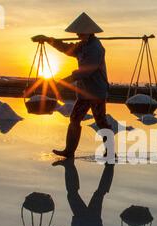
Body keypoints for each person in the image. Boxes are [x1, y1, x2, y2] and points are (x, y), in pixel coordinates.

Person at [32, 12, 111, 158]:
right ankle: (69, 151)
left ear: (87, 31)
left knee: (101, 121)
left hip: (96, 92)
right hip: (84, 92)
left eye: (79, 32)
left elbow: (85, 71)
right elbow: (67, 49)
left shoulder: (95, 48)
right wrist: (49, 39)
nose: (77, 35)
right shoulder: (83, 44)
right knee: (74, 119)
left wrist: (63, 82)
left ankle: (110, 152)